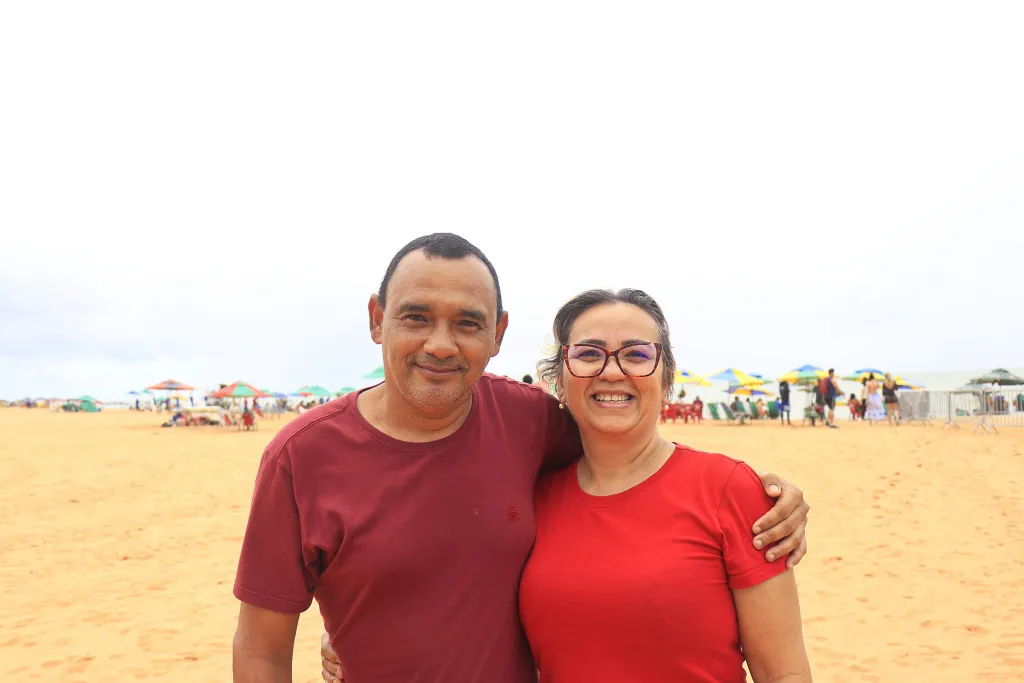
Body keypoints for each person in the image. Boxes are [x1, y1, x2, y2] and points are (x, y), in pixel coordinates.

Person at [229, 233, 810, 683]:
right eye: (416, 316)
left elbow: (631, 457)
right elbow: (260, 646)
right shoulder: (300, 457)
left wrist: (766, 495)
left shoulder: (528, 423)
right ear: (377, 320)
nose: (440, 344)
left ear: (498, 334)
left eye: (467, 323)